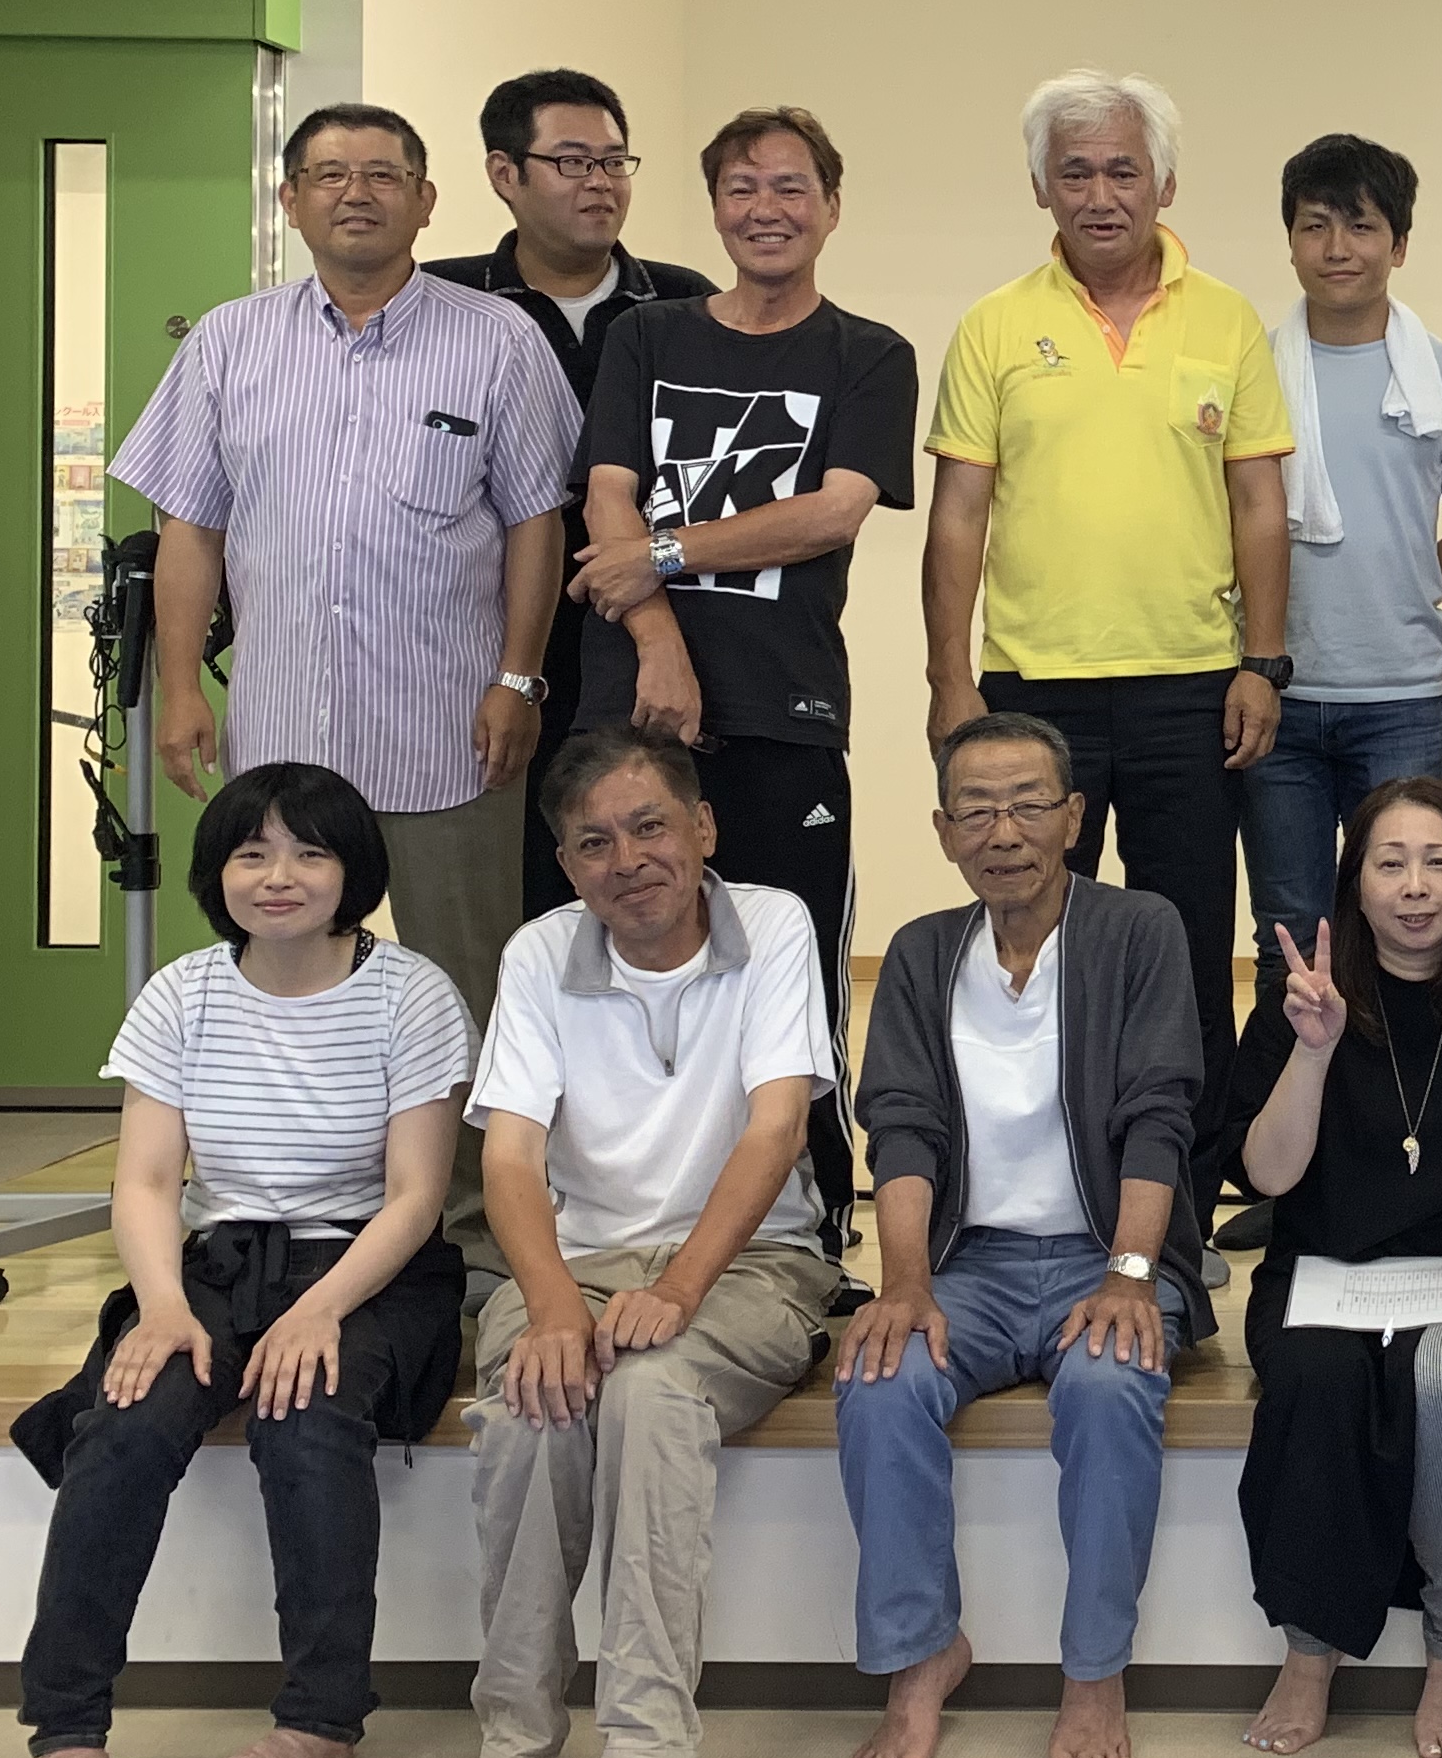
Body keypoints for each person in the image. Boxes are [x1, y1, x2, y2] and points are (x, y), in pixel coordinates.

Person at [112, 103, 576, 1260]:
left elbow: (538, 523)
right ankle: (287, 1208)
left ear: (427, 200)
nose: (355, 193)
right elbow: (190, 528)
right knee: (283, 976)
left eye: (382, 174)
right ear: (290, 201)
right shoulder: (227, 343)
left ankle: (473, 1238)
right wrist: (183, 686)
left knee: (468, 986)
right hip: (280, 737)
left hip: (450, 730)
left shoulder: (499, 341)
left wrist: (518, 678)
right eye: (328, 175)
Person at [12, 763, 470, 1758]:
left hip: (368, 1268)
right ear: (217, 873)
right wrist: (162, 1306)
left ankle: (320, 1719)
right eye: (251, 853)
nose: (279, 876)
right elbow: (144, 1182)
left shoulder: (412, 993)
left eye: (309, 852)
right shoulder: (182, 993)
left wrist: (321, 1311)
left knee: (306, 1417)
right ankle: (67, 1726)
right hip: (214, 1267)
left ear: (353, 870)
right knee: (124, 1423)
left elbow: (417, 1196)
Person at [437, 725, 844, 1758]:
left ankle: (655, 1749)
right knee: (532, 1407)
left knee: (652, 1397)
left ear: (702, 828)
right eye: (593, 843)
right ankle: (516, 1737)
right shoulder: (539, 953)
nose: (628, 861)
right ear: (567, 864)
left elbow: (777, 1128)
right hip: (576, 1260)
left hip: (751, 1260)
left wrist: (677, 1287)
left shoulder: (773, 924)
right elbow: (510, 1159)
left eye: (650, 826)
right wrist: (552, 1306)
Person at [834, 712, 1209, 1758]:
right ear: (944, 831)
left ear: (1075, 817)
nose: (1005, 832)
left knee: (1108, 1382)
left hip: (1109, 1256)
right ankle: (921, 1655)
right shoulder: (920, 952)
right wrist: (906, 1284)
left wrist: (1130, 1274)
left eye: (1029, 804)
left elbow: (1159, 1116)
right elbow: (902, 1128)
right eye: (978, 810)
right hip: (974, 1267)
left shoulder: (1137, 929)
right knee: (880, 1376)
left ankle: (1093, 1670)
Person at [922, 68, 1293, 1141]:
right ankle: (1038, 1167)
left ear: (1164, 184)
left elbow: (1259, 505)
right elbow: (958, 517)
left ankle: (1183, 1182)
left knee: (1185, 945)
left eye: (1123, 171)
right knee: (1031, 941)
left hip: (1193, 688)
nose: (1100, 195)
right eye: (1074, 172)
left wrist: (1262, 665)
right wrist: (950, 682)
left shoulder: (1227, 319)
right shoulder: (994, 326)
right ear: (1040, 186)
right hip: (1033, 693)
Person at [573, 104, 916, 1243]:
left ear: (832, 206)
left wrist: (663, 555)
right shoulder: (649, 337)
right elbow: (608, 498)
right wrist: (660, 640)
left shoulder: (868, 354)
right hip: (630, 705)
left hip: (786, 709)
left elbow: (831, 512)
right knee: (621, 959)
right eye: (741, 189)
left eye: (790, 187)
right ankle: (628, 1208)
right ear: (715, 207)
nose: (766, 210)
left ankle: (814, 1217)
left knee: (792, 966)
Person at [1217, 780, 1442, 1758]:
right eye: (1389, 863)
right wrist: (1313, 1053)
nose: (1414, 887)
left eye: (1438, 862)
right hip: (1327, 1273)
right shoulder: (1305, 1001)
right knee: (1318, 1376)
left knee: (1439, 1372)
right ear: (1353, 883)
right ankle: (1309, 1650)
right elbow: (1267, 1174)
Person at [428, 67, 715, 918]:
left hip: (655, 631)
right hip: (484, 641)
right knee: (512, 894)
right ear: (504, 173)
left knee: (648, 878)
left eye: (614, 161)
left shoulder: (685, 304)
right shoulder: (442, 303)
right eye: (572, 161)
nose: (600, 182)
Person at [1244, 134, 1442, 968]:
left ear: (1400, 244)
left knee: (1411, 921)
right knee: (1289, 930)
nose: (1337, 249)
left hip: (1402, 698)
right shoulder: (1248, 373)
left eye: (1360, 227)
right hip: (1271, 695)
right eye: (1315, 226)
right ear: (1289, 241)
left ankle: (1397, 1061)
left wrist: (1406, 590)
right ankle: (1292, 1060)